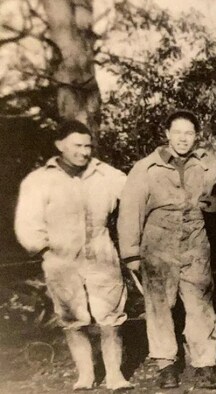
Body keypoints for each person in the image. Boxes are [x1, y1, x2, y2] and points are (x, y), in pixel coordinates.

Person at [14, 120, 133, 391]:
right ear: (60, 146)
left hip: (101, 253)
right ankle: (86, 376)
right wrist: (46, 250)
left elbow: (135, 197)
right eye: (77, 146)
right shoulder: (39, 180)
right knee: (71, 318)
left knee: (111, 315)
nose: (83, 152)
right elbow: (27, 222)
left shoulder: (107, 175)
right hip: (61, 258)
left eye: (88, 145)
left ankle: (115, 375)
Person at [117, 110, 216, 389]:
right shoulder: (146, 168)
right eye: (177, 132)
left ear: (196, 136)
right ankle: (166, 366)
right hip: (158, 244)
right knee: (159, 305)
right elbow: (130, 210)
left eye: (189, 133)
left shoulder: (202, 166)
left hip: (195, 242)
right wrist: (130, 253)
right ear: (166, 134)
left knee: (200, 303)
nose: (183, 139)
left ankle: (204, 366)